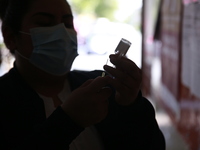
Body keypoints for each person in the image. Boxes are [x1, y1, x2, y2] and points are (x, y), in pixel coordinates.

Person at [0, 0, 165, 149]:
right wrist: (68, 121)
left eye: (67, 24)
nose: (62, 33)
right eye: (45, 23)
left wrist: (131, 105)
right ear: (10, 37)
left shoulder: (101, 87)